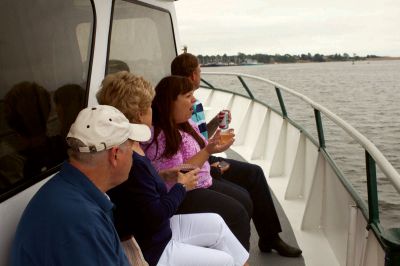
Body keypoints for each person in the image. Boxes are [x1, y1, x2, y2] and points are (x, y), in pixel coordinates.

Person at [97, 71, 250, 266]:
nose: (154, 109)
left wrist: (162, 176)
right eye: (149, 106)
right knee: (226, 260)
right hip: (154, 246)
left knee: (218, 224)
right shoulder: (128, 156)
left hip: (159, 229)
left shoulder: (133, 145)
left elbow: (138, 192)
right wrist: (181, 187)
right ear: (139, 113)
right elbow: (153, 215)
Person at [168, 52, 303, 257]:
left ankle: (269, 237)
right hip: (199, 162)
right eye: (200, 70)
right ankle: (234, 251)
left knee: (254, 173)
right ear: (194, 75)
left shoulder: (186, 103)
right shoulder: (184, 106)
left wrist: (215, 121)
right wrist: (212, 165)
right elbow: (190, 151)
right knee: (246, 188)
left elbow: (199, 138)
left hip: (204, 155)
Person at [11, 105, 150, 266]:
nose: (134, 155)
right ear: (116, 154)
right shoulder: (81, 222)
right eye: (132, 147)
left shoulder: (70, 192)